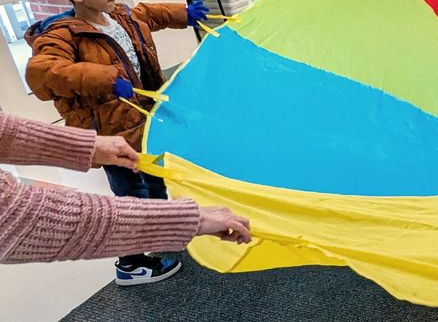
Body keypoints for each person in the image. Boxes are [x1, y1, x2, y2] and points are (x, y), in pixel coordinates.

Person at [24, 0, 210, 285]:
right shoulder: (61, 35)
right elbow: (43, 73)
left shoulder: (119, 16)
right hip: (110, 135)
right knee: (131, 197)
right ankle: (130, 263)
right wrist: (107, 79)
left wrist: (183, 13)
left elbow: (148, 15)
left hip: (143, 123)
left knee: (154, 181)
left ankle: (160, 236)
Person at [0, 112, 251, 267]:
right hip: (109, 122)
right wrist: (189, 219)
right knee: (130, 187)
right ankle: (133, 263)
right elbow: (10, 219)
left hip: (128, 128)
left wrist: (88, 146)